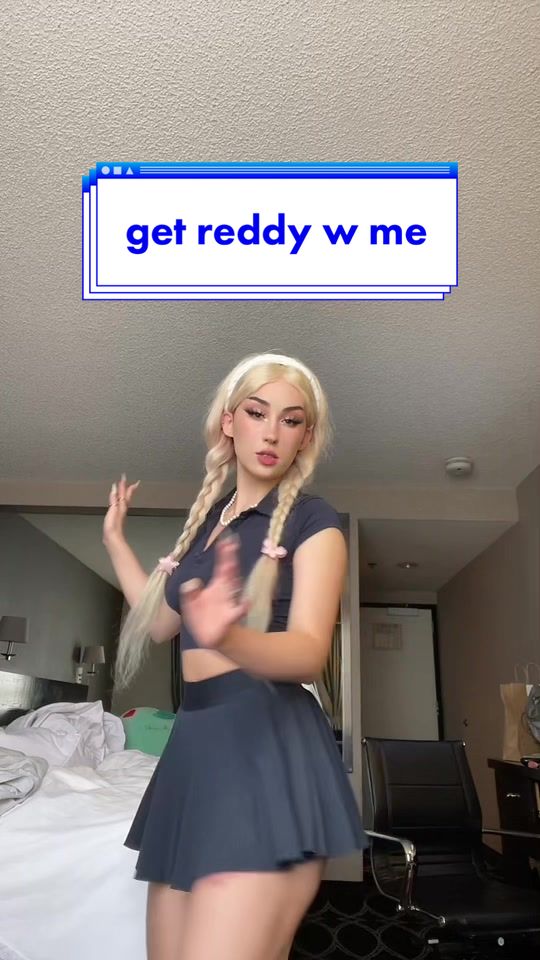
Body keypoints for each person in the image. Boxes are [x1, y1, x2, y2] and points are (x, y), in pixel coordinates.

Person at [103, 352, 367, 960]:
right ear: (229, 422)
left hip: (264, 739)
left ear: (305, 437)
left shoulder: (313, 520)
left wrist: (229, 638)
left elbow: (307, 653)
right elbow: (161, 623)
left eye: (291, 420)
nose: (272, 432)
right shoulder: (206, 531)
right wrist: (115, 540)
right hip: (194, 744)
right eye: (257, 413)